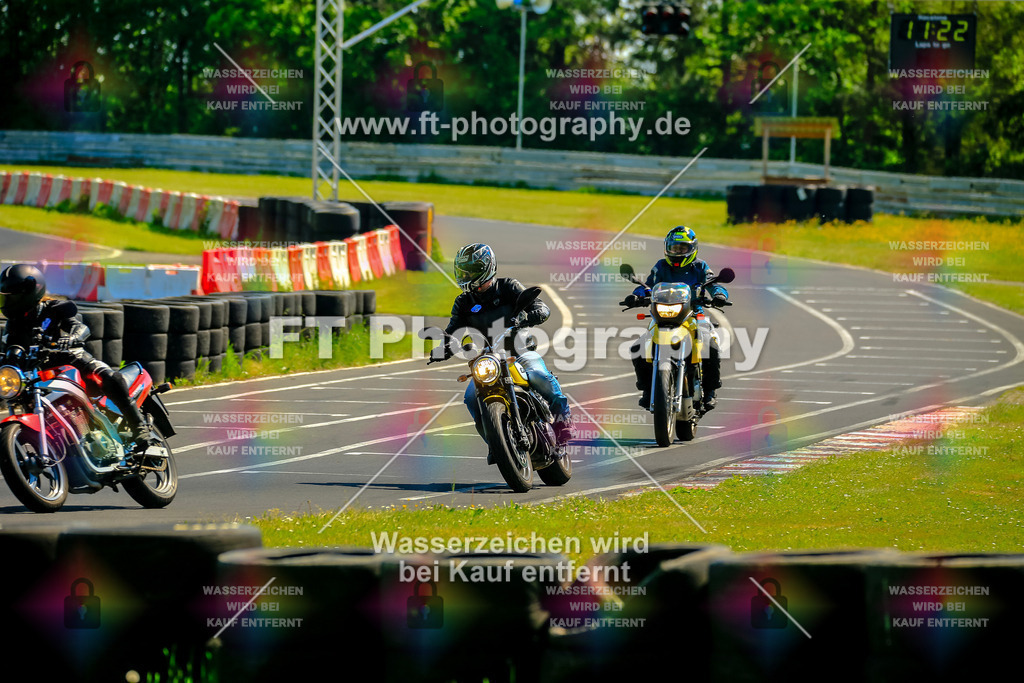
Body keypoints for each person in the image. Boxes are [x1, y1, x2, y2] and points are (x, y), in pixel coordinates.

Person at [0, 264, 154, 451]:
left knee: (111, 378)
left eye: (12, 296)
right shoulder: (13, 325)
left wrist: (72, 337)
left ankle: (139, 426)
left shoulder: (54, 308)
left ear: (30, 292)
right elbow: (7, 350)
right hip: (41, 374)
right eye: (4, 297)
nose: (7, 302)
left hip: (74, 360)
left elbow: (80, 327)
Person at [441, 243, 575, 451]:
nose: (466, 275)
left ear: (487, 267)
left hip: (520, 352)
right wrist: (445, 346)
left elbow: (542, 308)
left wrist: (529, 315)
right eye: (463, 271)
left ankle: (563, 421)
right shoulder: (463, 302)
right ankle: (497, 445)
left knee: (540, 377)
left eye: (472, 270)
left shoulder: (508, 287)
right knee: (470, 398)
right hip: (489, 359)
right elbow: (452, 329)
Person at [625, 226, 729, 411]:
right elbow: (648, 285)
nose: (677, 252)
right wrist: (636, 295)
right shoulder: (661, 266)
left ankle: (710, 391)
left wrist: (719, 295)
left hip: (693, 314)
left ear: (692, 249)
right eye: (674, 248)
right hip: (662, 315)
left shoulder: (700, 267)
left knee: (711, 346)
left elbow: (713, 283)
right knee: (637, 348)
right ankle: (648, 390)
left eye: (682, 248)